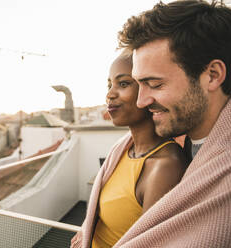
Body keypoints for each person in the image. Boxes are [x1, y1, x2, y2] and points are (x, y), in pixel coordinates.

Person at [113, 1, 231, 247]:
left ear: (212, 75)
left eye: (156, 84)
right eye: (139, 84)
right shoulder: (184, 141)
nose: (141, 102)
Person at [70, 50, 188, 248]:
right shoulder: (124, 149)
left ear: (149, 90)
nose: (110, 94)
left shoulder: (164, 166)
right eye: (109, 85)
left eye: (123, 84)